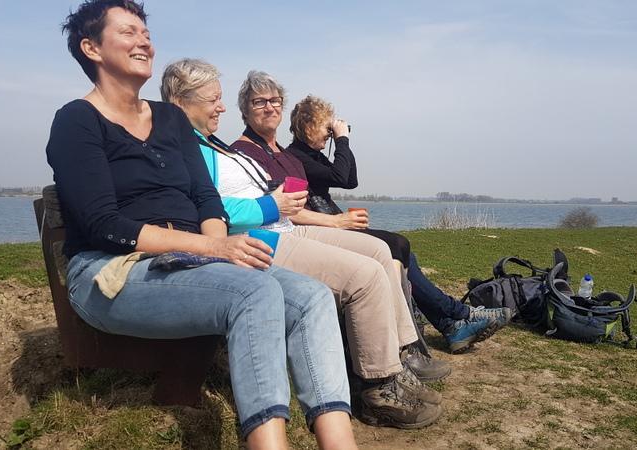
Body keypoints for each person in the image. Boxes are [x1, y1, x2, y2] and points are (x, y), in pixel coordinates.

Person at [47, 3, 357, 448]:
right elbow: (103, 224)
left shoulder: (171, 119)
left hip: (188, 259)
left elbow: (205, 197)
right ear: (90, 47)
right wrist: (215, 250)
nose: (144, 40)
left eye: (146, 32)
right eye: (128, 31)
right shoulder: (76, 121)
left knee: (312, 298)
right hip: (112, 270)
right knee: (257, 291)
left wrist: (219, 247)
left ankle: (339, 442)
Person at [160, 58, 447, 430]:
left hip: (280, 226)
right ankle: (378, 387)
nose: (221, 107)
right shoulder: (188, 148)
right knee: (365, 275)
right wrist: (271, 204)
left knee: (381, 250)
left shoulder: (207, 142)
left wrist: (278, 204)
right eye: (214, 99)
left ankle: (400, 354)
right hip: (259, 237)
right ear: (181, 102)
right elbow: (205, 207)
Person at [230, 81, 512, 354]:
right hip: (308, 232)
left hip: (323, 226)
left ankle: (440, 321)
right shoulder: (294, 156)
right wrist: (342, 139)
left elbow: (349, 180)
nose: (329, 132)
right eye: (260, 102)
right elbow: (328, 184)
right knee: (396, 247)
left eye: (275, 101)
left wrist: (341, 143)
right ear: (307, 126)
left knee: (401, 251)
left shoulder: (296, 157)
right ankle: (446, 320)